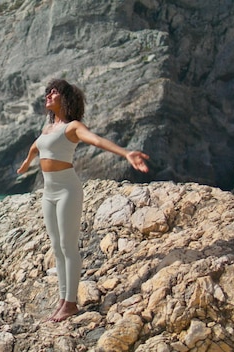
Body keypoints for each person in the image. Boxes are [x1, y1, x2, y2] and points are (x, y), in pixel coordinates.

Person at [16, 79, 150, 322]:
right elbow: (37, 146)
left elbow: (97, 140)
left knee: (68, 246)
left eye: (54, 92)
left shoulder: (73, 127)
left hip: (68, 189)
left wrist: (125, 152)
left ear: (65, 98)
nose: (48, 95)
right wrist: (27, 162)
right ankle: (62, 299)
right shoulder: (48, 129)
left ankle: (71, 303)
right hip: (48, 192)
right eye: (47, 92)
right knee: (56, 247)